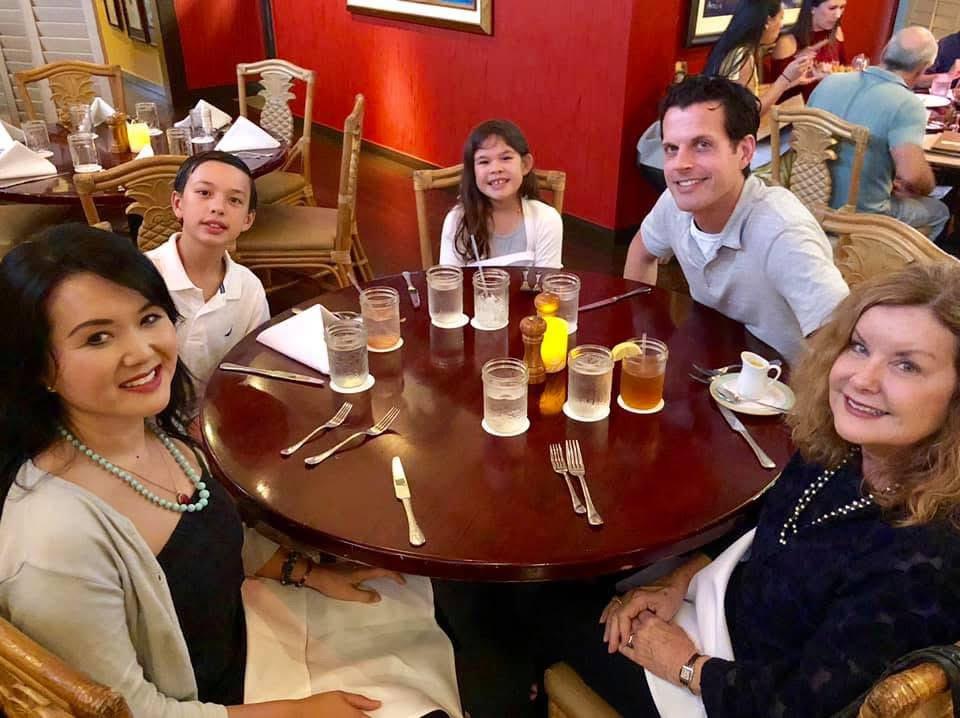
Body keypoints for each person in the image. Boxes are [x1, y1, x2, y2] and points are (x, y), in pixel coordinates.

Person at [0, 225, 462, 718]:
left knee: (428, 598)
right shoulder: (53, 544)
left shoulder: (157, 432)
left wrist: (305, 571)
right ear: (38, 368)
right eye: (97, 337)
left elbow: (204, 544)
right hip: (216, 700)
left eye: (149, 318)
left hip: (252, 634)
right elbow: (129, 712)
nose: (142, 352)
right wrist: (298, 713)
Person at [545, 261, 960, 717]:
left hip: (734, 689)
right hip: (719, 614)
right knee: (570, 575)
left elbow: (803, 705)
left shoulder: (924, 557)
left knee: (537, 599)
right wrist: (676, 581)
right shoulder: (842, 451)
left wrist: (684, 664)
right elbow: (765, 523)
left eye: (906, 365)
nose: (863, 378)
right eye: (859, 347)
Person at [623, 75, 848, 363]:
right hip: (711, 368)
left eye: (702, 145)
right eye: (672, 149)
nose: (681, 164)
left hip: (780, 388)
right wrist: (645, 340)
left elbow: (839, 341)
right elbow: (642, 252)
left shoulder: (783, 231)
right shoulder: (674, 205)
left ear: (744, 151)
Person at [808, 26, 951, 241]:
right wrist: (926, 186)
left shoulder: (829, 82)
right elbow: (913, 175)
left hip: (808, 200)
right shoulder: (907, 104)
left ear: (885, 53)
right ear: (923, 68)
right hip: (862, 216)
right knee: (939, 212)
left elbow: (799, 139)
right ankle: (884, 267)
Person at [146, 151, 270, 397]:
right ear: (178, 203)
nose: (217, 208)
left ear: (247, 219)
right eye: (204, 193)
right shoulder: (142, 278)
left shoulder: (248, 288)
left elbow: (253, 367)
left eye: (234, 200)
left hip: (218, 413)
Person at [438, 119, 563, 268]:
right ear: (473, 172)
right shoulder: (458, 221)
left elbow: (547, 287)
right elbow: (448, 282)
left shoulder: (545, 218)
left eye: (506, 158)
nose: (495, 169)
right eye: (484, 162)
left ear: (525, 165)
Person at [703, 0, 816, 114]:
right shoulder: (742, 58)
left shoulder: (733, 48)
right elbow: (750, 113)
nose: (781, 25)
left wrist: (791, 81)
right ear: (767, 21)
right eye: (780, 18)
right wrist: (785, 79)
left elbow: (748, 99)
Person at [771, 0, 848, 100]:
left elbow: (843, 70)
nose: (838, 15)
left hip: (829, 104)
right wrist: (797, 63)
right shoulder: (787, 42)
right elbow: (773, 94)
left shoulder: (837, 32)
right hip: (799, 111)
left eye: (842, 7)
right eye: (832, 8)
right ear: (812, 9)